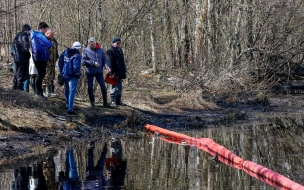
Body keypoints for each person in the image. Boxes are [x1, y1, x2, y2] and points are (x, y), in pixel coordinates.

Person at [82, 37, 111, 108]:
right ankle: (92, 102)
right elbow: (83, 61)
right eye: (91, 44)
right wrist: (93, 63)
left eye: (94, 44)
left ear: (96, 43)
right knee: (90, 87)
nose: (93, 45)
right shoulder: (85, 50)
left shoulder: (100, 50)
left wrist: (106, 66)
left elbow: (104, 59)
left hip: (99, 72)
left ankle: (105, 102)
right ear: (89, 44)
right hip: (90, 72)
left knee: (103, 86)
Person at [59, 42, 82, 115]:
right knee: (72, 92)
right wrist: (78, 75)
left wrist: (61, 71)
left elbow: (60, 62)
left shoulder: (65, 52)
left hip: (65, 74)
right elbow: (76, 68)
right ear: (79, 48)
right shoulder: (77, 56)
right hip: (72, 75)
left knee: (67, 89)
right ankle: (70, 108)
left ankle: (67, 104)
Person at [30, 21, 52, 99]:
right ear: (42, 28)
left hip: (37, 56)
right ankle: (38, 93)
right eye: (46, 29)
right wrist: (46, 46)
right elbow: (49, 44)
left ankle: (38, 92)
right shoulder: (39, 35)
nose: (46, 31)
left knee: (40, 75)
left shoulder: (33, 34)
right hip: (40, 57)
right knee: (41, 75)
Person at [106, 37, 127, 107]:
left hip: (120, 72)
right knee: (113, 88)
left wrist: (124, 69)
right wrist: (110, 73)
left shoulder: (120, 50)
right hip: (113, 72)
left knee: (119, 88)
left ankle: (118, 101)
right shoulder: (110, 51)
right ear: (113, 43)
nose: (118, 44)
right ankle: (113, 102)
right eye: (117, 43)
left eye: (119, 43)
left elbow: (122, 61)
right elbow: (109, 62)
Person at [11, 24, 31, 91]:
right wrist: (28, 55)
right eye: (29, 30)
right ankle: (19, 88)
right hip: (22, 58)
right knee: (21, 73)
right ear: (26, 30)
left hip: (16, 58)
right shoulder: (24, 36)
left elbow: (13, 48)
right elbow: (26, 48)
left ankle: (14, 86)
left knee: (17, 73)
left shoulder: (16, 36)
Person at [43, 28, 59, 97]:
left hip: (53, 61)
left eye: (53, 34)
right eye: (51, 34)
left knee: (51, 76)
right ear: (47, 33)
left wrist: (56, 59)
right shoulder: (43, 40)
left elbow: (56, 51)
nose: (53, 36)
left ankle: (50, 91)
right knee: (46, 76)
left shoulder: (54, 40)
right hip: (46, 61)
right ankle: (44, 91)